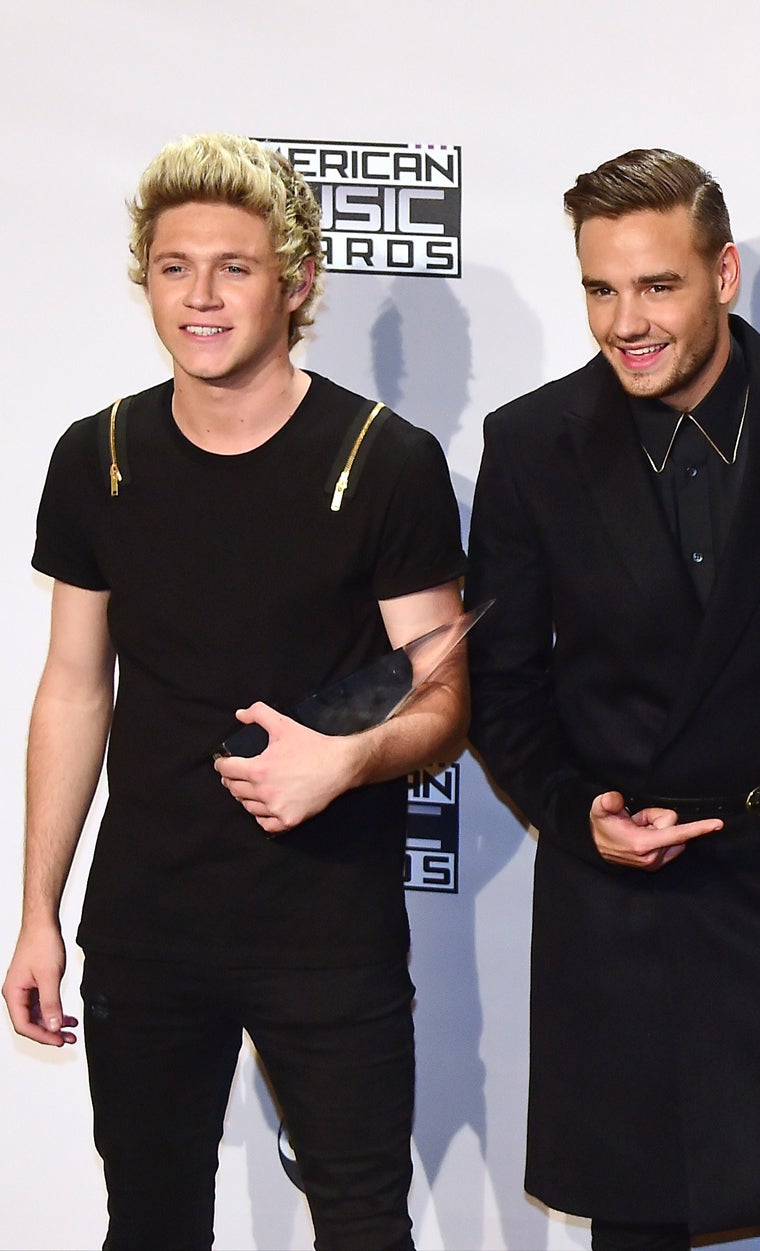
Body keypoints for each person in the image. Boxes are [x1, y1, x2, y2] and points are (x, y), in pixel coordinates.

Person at [2, 132, 469, 1248]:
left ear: (296, 282)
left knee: (362, 1224)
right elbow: (75, 689)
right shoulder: (95, 454)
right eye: (174, 267)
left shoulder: (384, 458)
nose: (199, 297)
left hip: (327, 927)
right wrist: (36, 918)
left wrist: (347, 759)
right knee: (150, 1223)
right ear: (147, 279)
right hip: (146, 925)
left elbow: (447, 700)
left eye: (234, 267)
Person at [464, 148, 760, 1250]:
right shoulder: (529, 445)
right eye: (600, 289)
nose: (625, 322)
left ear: (724, 274)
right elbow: (502, 689)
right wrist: (578, 814)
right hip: (624, 920)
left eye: (656, 287)